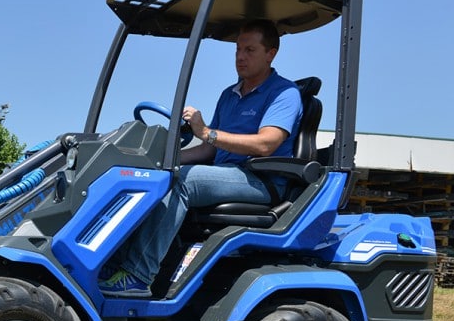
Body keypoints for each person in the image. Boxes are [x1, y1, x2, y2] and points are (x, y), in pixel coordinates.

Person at [100, 19, 303, 297]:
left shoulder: (284, 93)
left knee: (182, 181)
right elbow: (209, 151)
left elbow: (266, 144)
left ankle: (137, 275)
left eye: (250, 50)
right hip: (227, 175)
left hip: (260, 180)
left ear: (271, 54)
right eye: (237, 50)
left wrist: (206, 132)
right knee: (153, 175)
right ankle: (111, 265)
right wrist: (163, 160)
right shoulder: (229, 95)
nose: (240, 57)